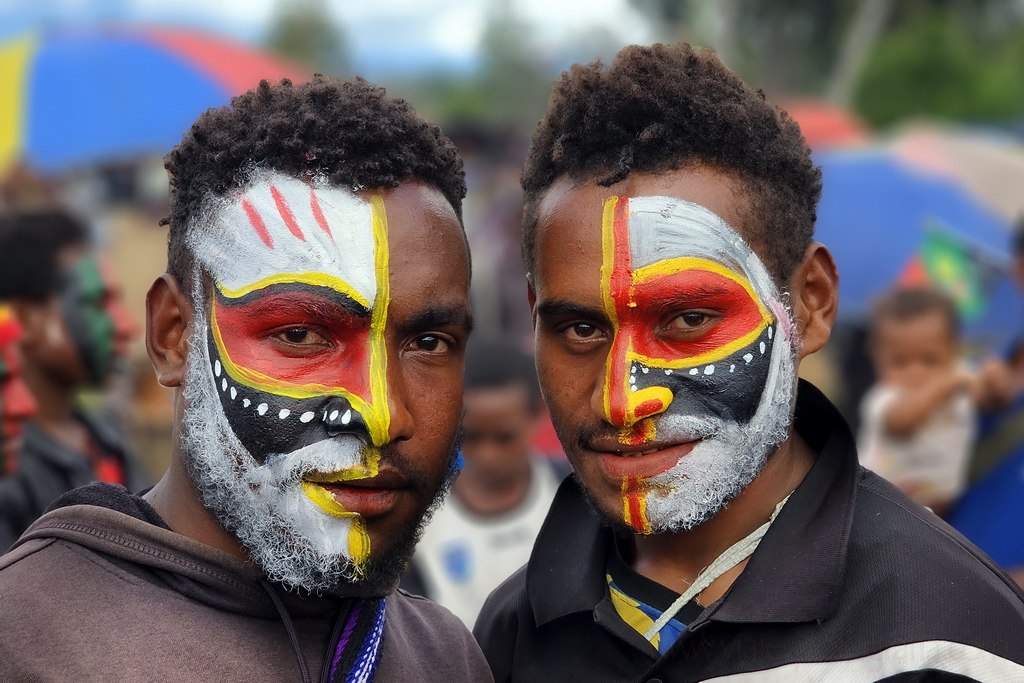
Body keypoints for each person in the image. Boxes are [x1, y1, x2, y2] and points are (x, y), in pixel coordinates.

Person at [473, 43, 1024, 681]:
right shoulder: (510, 636)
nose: (621, 399)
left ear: (811, 304)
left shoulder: (949, 639)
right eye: (580, 328)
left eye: (689, 320)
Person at [0, 76, 491, 682]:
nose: (384, 413)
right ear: (174, 335)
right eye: (300, 335)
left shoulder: (445, 656)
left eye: (428, 343)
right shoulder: (27, 640)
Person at [0, 210, 145, 548]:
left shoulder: (105, 436)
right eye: (97, 303)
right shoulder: (9, 465)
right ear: (26, 319)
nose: (125, 326)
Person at [405, 339, 561, 627]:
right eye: (471, 437)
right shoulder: (415, 511)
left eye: (504, 437)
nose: (488, 456)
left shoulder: (570, 494)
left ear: (536, 416)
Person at [857, 287, 976, 515]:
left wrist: (992, 384)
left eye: (930, 359)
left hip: (938, 508)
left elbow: (984, 395)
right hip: (878, 504)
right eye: (899, 362)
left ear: (954, 350)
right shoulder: (885, 397)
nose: (915, 372)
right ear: (877, 357)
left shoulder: (959, 379)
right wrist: (942, 386)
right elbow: (899, 424)